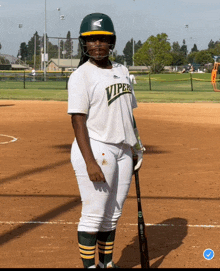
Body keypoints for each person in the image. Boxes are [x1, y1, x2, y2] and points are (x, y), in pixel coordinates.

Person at [67, 13, 145, 269]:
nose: (97, 44)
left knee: (112, 215)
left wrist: (136, 146)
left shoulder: (122, 70)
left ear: (111, 42)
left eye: (103, 39)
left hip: (123, 150)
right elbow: (78, 119)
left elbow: (128, 113)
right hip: (96, 147)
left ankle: (107, 264)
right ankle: (90, 267)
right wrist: (89, 161)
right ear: (84, 44)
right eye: (92, 40)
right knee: (94, 214)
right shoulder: (81, 75)